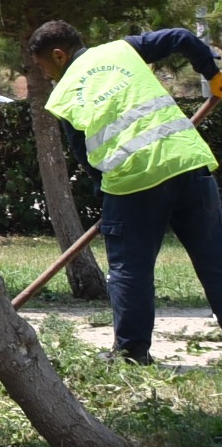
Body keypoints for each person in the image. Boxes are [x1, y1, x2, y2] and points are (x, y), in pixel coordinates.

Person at [32, 19, 222, 365]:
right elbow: (180, 37)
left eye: (43, 66)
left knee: (129, 269)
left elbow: (86, 155)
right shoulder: (122, 49)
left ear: (59, 55)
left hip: (133, 183)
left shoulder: (63, 94)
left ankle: (132, 353)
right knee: (216, 259)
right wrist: (213, 75)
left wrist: (105, 195)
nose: (45, 75)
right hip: (188, 163)